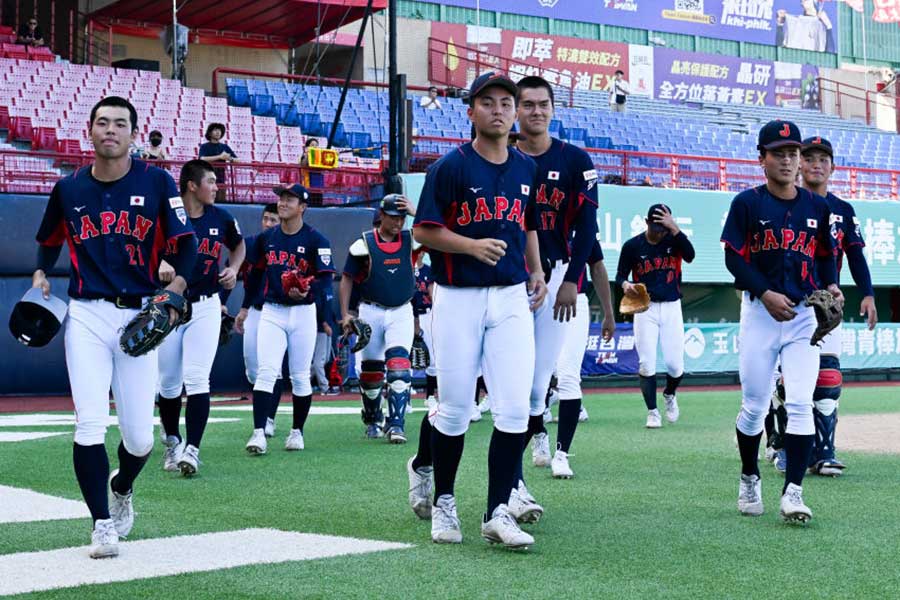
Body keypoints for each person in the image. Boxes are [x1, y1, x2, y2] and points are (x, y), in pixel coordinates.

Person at [32, 96, 197, 558]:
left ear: (133, 133)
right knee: (88, 422)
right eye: (102, 122)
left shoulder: (158, 180)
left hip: (140, 314)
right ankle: (101, 523)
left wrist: (178, 287)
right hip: (86, 313)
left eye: (120, 123)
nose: (111, 130)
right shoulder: (68, 189)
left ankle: (122, 485)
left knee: (141, 439)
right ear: (89, 132)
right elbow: (47, 240)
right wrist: (42, 271)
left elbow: (187, 244)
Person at [406, 71, 548, 550]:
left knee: (515, 408)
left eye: (506, 102)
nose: (499, 109)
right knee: (456, 411)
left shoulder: (526, 168)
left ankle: (496, 512)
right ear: (471, 112)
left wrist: (536, 269)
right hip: (457, 294)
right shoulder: (450, 166)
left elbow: (527, 226)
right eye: (487, 102)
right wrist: (469, 245)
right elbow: (423, 232)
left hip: (510, 295)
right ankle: (444, 500)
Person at [721, 120, 842, 524]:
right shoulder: (747, 203)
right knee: (754, 407)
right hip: (759, 313)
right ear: (762, 159)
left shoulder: (818, 207)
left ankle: (793, 492)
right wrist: (765, 293)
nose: (790, 160)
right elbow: (733, 259)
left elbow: (825, 255)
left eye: (795, 153)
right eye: (780, 153)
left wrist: (832, 285)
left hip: (803, 316)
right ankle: (750, 474)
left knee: (801, 404)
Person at [509, 75, 599, 523]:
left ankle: (513, 482)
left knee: (534, 384)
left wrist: (572, 280)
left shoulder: (575, 159)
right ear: (516, 109)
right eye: (528, 104)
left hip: (558, 272)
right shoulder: (500, 155)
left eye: (543, 104)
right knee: (483, 389)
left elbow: (588, 229)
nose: (536, 111)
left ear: (552, 108)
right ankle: (430, 464)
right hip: (506, 276)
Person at [786, 136, 875, 476]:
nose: (816, 164)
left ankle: (824, 450)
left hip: (827, 302)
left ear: (833, 167)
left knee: (829, 376)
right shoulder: (785, 203)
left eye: (824, 159)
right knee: (786, 382)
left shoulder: (843, 210)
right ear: (798, 164)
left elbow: (854, 254)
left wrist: (867, 293)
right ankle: (783, 442)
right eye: (809, 158)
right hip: (790, 301)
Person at [155, 160, 245, 477]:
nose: (216, 186)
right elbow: (143, 251)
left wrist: (233, 268)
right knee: (167, 383)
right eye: (211, 180)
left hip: (206, 304)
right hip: (168, 303)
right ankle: (172, 441)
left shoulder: (221, 216)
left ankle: (192, 449)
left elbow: (238, 245)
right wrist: (160, 263)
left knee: (196, 379)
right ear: (192, 185)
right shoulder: (164, 216)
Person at [243, 184, 334, 455]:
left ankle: (297, 431)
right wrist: (246, 307)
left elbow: (326, 278)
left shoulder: (317, 240)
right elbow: (256, 275)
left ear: (303, 207)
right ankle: (259, 432)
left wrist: (307, 288)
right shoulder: (267, 238)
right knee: (266, 372)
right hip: (272, 310)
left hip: (304, 312)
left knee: (299, 376)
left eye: (289, 199)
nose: (282, 203)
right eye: (281, 198)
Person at [339, 195, 419, 442]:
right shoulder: (363, 244)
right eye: (393, 217)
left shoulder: (412, 240)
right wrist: (345, 314)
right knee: (371, 372)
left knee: (399, 367)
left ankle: (397, 424)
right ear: (381, 216)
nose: (398, 223)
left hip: (401, 310)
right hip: (370, 310)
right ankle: (373, 418)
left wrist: (416, 212)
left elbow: (436, 231)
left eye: (401, 218)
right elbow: (347, 278)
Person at [615, 204, 695, 428]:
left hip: (671, 306)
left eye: (663, 227)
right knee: (646, 363)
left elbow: (691, 255)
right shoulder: (633, 246)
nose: (660, 232)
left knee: (675, 365)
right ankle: (652, 412)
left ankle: (669, 394)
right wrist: (625, 284)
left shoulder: (673, 240)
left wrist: (675, 229)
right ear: (646, 222)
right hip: (645, 307)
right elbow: (620, 275)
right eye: (656, 227)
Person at [550, 237, 615, 478]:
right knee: (537, 382)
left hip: (576, 300)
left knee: (568, 375)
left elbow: (597, 266)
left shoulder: (583, 223)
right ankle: (539, 435)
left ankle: (561, 454)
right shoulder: (534, 211)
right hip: (539, 297)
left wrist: (609, 313)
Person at [234, 203, 283, 438]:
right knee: (252, 367)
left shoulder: (288, 244)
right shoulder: (252, 243)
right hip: (255, 309)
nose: (268, 224)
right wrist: (241, 309)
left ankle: (268, 419)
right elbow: (237, 275)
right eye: (266, 219)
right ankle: (264, 415)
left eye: (273, 220)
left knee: (272, 369)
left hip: (279, 311)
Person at [413, 252, 437, 408]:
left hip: (427, 315)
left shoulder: (428, 270)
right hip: (407, 315)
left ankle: (430, 396)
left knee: (432, 358)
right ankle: (403, 396)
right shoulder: (405, 270)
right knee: (404, 356)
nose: (418, 253)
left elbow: (433, 294)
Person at [311, 276, 338, 395]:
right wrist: (324, 323)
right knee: (319, 361)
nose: (332, 275)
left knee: (326, 359)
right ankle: (325, 387)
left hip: (328, 327)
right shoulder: (318, 285)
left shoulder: (329, 287)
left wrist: (335, 321)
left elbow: (328, 307)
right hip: (320, 328)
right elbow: (317, 306)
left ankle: (303, 380)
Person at [199, 123, 237, 201]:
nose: (218, 132)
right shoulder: (204, 146)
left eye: (220, 130)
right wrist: (220, 157)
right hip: (207, 179)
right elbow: (202, 158)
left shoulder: (224, 147)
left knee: (221, 201)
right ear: (209, 133)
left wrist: (229, 158)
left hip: (221, 180)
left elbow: (238, 160)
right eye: (215, 130)